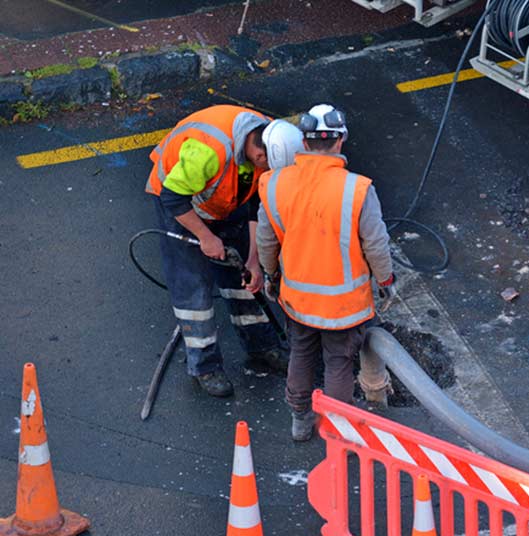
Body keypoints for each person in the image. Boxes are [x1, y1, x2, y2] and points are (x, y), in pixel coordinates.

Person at [257, 104, 398, 441]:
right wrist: (385, 281)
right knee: (338, 363)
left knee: (301, 354)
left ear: (303, 143)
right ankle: (338, 432)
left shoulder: (275, 184)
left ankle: (300, 421)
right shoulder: (357, 188)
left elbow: (266, 240)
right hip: (343, 307)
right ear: (341, 141)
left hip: (298, 301)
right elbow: (376, 245)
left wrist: (271, 276)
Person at [145, 105, 302, 398]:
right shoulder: (208, 151)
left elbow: (258, 207)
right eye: (266, 168)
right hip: (181, 206)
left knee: (242, 276)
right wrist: (205, 237)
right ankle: (205, 366)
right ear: (259, 156)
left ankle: (262, 346)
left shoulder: (273, 135)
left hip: (224, 197)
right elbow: (173, 197)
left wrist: (255, 262)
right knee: (194, 288)